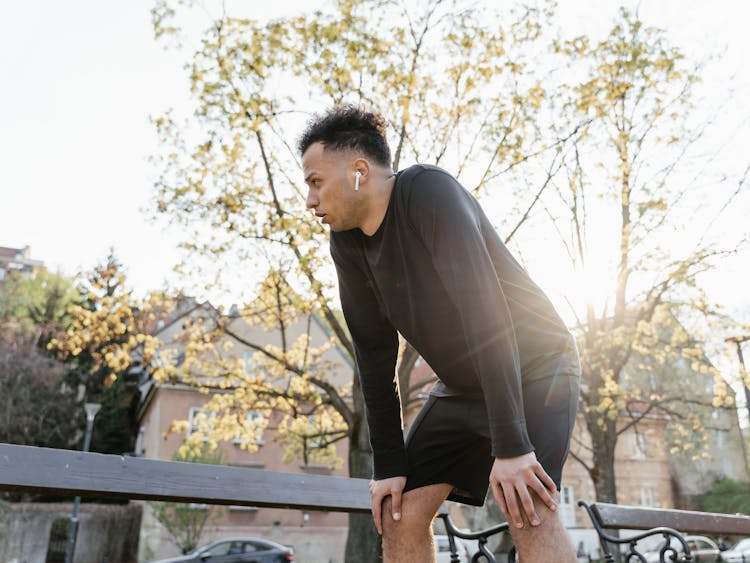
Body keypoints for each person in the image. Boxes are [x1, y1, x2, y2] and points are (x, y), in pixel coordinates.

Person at [298, 105, 580, 563]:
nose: (309, 201)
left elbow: (485, 313)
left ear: (357, 172)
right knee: (398, 514)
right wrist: (388, 465)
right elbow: (373, 356)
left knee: (527, 508)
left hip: (536, 366)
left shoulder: (428, 191)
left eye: (315, 182)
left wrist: (510, 446)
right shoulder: (346, 243)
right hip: (463, 386)